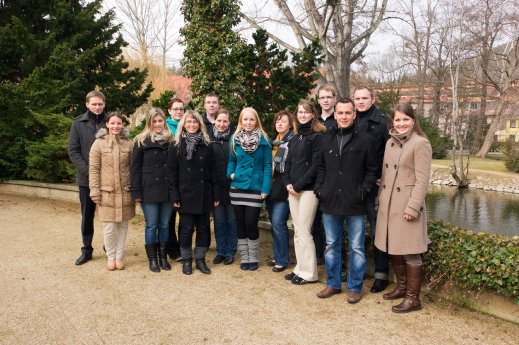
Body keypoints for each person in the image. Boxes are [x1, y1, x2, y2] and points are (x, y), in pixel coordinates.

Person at [314, 98, 378, 303]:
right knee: (331, 244)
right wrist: (319, 189)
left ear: (354, 114)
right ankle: (333, 283)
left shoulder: (366, 140)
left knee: (357, 247)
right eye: (340, 113)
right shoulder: (326, 138)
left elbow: (371, 170)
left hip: (355, 201)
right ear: (335, 115)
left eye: (347, 113)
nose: (343, 116)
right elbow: (321, 167)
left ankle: (355, 287)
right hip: (330, 200)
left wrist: (363, 190)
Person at [375, 103, 432, 313]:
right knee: (394, 249)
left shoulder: (420, 143)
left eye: (405, 119)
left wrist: (413, 207)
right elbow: (385, 176)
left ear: (413, 120)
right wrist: (380, 201)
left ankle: (412, 298)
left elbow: (422, 180)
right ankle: (400, 287)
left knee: (411, 253)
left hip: (407, 204)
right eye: (397, 120)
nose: (401, 124)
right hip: (389, 204)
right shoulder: (390, 142)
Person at [168, 110, 222, 275]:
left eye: (195, 122)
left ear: (200, 125)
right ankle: (186, 260)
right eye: (189, 122)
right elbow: (172, 174)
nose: (192, 125)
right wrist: (174, 195)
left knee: (204, 228)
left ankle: (200, 260)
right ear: (184, 124)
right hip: (185, 194)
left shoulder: (207, 145)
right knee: (186, 229)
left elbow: (214, 172)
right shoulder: (176, 145)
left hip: (204, 194)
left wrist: (216, 195)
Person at [283, 100, 326, 285]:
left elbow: (317, 165)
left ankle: (310, 273)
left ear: (313, 114)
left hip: (308, 190)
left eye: (306, 112)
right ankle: (300, 268)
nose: (302, 115)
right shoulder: (294, 137)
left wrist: (299, 185)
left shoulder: (318, 136)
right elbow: (288, 164)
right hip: (293, 191)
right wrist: (288, 184)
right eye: (299, 112)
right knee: (297, 230)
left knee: (305, 230)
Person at [353, 86, 391, 293]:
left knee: (378, 231)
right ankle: (355, 270)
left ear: (373, 99)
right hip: (353, 185)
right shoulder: (350, 120)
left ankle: (381, 275)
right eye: (357, 98)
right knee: (354, 231)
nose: (360, 102)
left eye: (364, 98)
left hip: (375, 187)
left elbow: (391, 154)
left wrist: (384, 178)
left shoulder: (384, 123)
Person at [88, 112, 135, 270]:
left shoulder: (129, 144)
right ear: (107, 124)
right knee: (109, 228)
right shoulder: (98, 144)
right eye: (112, 123)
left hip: (125, 192)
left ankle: (119, 257)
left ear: (123, 125)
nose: (116, 126)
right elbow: (94, 169)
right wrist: (94, 191)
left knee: (123, 226)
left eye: (119, 123)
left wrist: (135, 190)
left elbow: (134, 168)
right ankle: (111, 256)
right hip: (106, 192)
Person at [227, 107, 272, 271]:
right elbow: (231, 161)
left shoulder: (264, 141)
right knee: (240, 223)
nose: (248, 122)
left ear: (256, 121)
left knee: (250, 222)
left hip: (255, 187)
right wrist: (231, 174)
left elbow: (268, 166)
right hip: (237, 186)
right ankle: (245, 257)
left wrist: (265, 187)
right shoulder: (235, 139)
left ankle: (253, 256)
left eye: (251, 119)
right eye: (245, 119)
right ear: (240, 121)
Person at [131, 108, 174, 273]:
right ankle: (152, 259)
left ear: (164, 121)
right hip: (149, 189)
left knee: (164, 225)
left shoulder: (172, 140)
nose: (157, 124)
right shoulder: (141, 140)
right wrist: (136, 192)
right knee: (151, 225)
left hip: (168, 190)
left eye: (160, 121)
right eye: (154, 121)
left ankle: (163, 258)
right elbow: (135, 169)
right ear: (149, 123)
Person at [68, 90, 107, 265]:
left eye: (100, 104)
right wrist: (89, 172)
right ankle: (87, 249)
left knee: (109, 216)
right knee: (87, 216)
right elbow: (73, 151)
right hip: (86, 180)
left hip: (108, 180)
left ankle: (110, 247)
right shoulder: (78, 123)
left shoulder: (110, 122)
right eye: (94, 104)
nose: (97, 107)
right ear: (87, 104)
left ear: (104, 104)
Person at [266, 110, 294, 273]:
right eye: (277, 120)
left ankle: (282, 259)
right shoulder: (272, 142)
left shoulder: (292, 142)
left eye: (283, 121)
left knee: (278, 222)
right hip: (270, 188)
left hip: (283, 188)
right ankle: (278, 255)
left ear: (290, 124)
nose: (279, 123)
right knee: (274, 224)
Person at [312, 84, 338, 265]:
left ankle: (336, 259)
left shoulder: (339, 119)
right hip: (314, 175)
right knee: (314, 220)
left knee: (333, 222)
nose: (326, 100)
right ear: (318, 100)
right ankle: (319, 255)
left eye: (329, 97)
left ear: (334, 98)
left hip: (334, 176)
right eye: (322, 97)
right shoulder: (314, 121)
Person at [210, 109, 237, 266]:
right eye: (219, 121)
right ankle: (221, 250)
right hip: (216, 188)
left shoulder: (234, 140)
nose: (221, 124)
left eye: (225, 121)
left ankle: (230, 251)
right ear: (215, 121)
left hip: (232, 186)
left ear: (229, 122)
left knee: (232, 221)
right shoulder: (209, 139)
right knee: (219, 221)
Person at [165, 98, 185, 262]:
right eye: (176, 109)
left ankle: (182, 246)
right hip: (170, 177)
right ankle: (172, 249)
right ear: (169, 111)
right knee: (170, 217)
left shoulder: (188, 126)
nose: (178, 111)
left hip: (185, 178)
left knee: (184, 217)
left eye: (181, 109)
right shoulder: (165, 128)